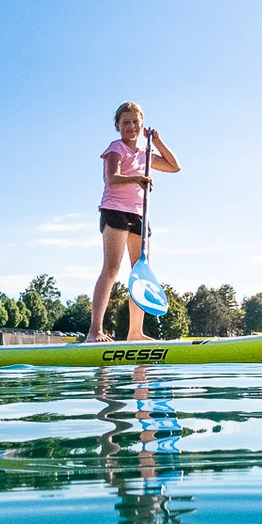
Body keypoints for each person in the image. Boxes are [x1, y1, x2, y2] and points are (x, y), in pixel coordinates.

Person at [88, 101, 180, 343]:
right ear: (117, 126)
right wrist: (137, 178)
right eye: (125, 122)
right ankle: (94, 331)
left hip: (140, 214)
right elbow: (112, 179)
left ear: (142, 125)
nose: (131, 126)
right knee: (111, 269)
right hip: (115, 211)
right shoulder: (115, 148)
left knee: (140, 272)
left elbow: (174, 166)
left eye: (135, 122)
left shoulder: (145, 153)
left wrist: (157, 142)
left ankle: (135, 332)